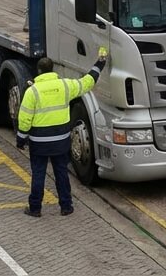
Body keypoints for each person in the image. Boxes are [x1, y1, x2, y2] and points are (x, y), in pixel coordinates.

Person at [15, 50, 108, 217]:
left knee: (38, 174)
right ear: (52, 70)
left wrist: (21, 139)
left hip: (39, 143)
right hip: (61, 142)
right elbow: (87, 82)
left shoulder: (33, 91)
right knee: (61, 173)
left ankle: (35, 208)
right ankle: (66, 206)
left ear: (39, 71)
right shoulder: (65, 86)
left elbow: (25, 118)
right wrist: (100, 64)